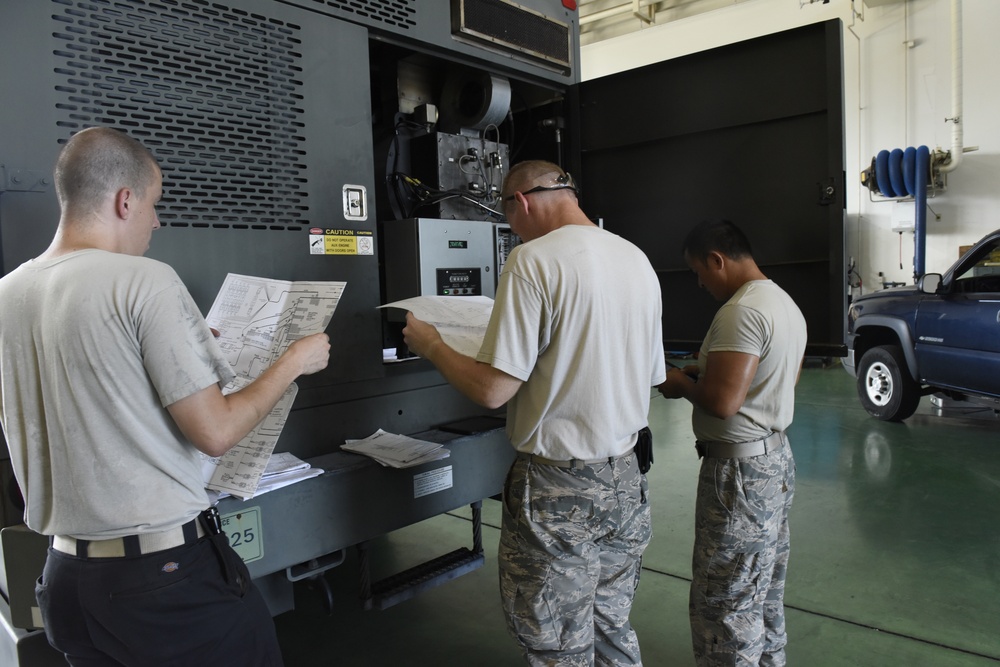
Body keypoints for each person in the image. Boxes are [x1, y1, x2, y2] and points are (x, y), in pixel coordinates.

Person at [0, 126, 331, 666]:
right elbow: (215, 432)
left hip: (65, 584)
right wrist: (293, 362)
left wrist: (178, 341)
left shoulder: (7, 293)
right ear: (124, 200)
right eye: (154, 204)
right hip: (162, 585)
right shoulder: (144, 281)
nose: (156, 220)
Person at [403, 159, 665, 666]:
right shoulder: (636, 258)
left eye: (508, 219)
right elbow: (647, 371)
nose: (512, 231)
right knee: (610, 627)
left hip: (556, 488)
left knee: (556, 645)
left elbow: (493, 390)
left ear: (519, 202)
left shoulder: (532, 261)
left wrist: (433, 344)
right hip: (626, 479)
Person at [657, 220, 806, 667]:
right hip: (773, 460)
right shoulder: (783, 303)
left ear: (717, 260)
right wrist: (704, 372)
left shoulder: (740, 311)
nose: (700, 284)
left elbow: (723, 403)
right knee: (761, 590)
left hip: (738, 476)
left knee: (723, 602)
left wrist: (677, 381)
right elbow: (779, 381)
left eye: (699, 273)